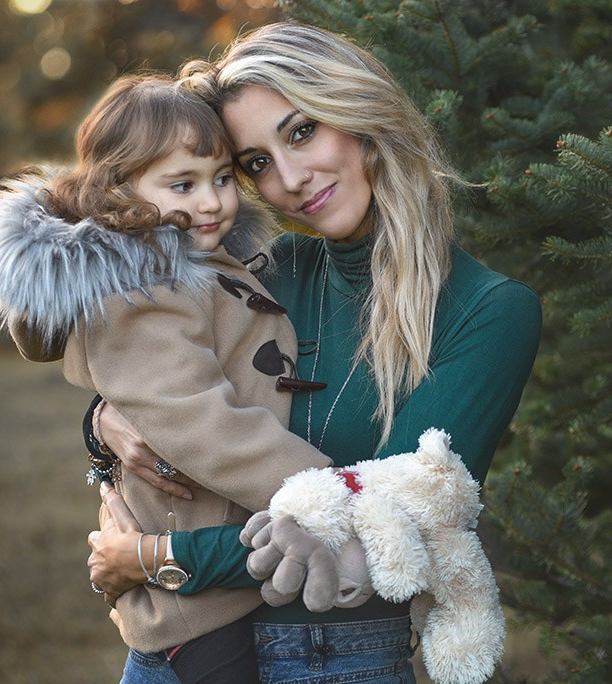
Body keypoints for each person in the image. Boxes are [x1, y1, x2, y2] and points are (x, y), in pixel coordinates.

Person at [86, 22, 543, 684]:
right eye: (258, 164)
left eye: (302, 131)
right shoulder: (269, 273)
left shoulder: (489, 312)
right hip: (173, 654)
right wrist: (104, 421)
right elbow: (157, 373)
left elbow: (384, 528)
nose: (290, 179)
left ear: (358, 113)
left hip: (335, 659)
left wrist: (159, 557)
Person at [0, 74, 351, 683]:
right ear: (121, 189)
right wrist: (323, 489)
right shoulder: (146, 288)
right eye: (183, 184)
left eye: (223, 178)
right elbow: (197, 420)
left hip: (220, 570)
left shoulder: (194, 265)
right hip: (192, 606)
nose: (211, 202)